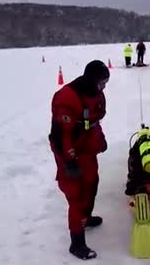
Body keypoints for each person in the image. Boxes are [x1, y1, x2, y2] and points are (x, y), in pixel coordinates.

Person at [49, 60, 109, 260]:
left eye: (105, 83)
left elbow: (94, 121)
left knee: (92, 183)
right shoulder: (67, 98)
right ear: (91, 80)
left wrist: (100, 140)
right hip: (69, 151)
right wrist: (68, 160)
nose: (103, 87)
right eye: (101, 83)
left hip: (87, 150)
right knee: (77, 194)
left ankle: (86, 217)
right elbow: (59, 135)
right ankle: (77, 243)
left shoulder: (96, 94)